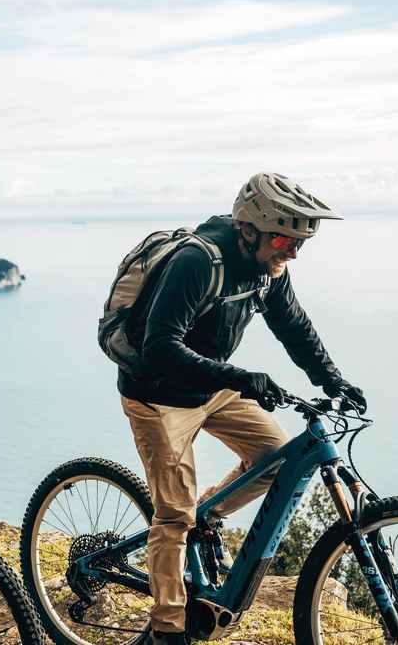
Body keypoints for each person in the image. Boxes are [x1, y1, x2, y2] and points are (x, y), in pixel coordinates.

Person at [118, 173, 366, 644]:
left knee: (277, 459)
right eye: (284, 239)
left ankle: (206, 518)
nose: (292, 252)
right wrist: (237, 376)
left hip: (209, 385)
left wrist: (332, 378)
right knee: (174, 516)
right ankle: (168, 628)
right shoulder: (198, 262)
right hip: (156, 396)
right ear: (249, 229)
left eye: (299, 243)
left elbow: (294, 327)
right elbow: (159, 347)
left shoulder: (268, 269)